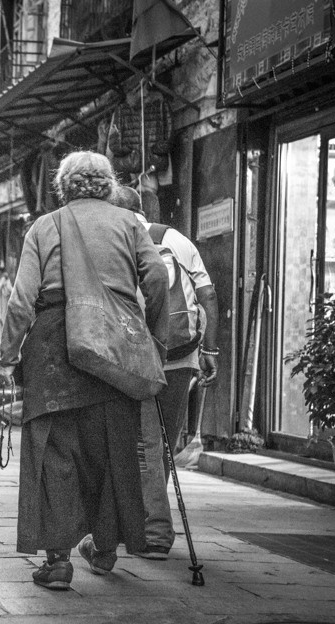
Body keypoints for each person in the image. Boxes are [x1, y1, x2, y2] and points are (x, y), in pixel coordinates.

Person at [0, 151, 168, 590]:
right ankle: (105, 548)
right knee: (111, 450)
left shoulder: (45, 226)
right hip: (115, 344)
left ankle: (57, 562)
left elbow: (21, 299)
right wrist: (152, 336)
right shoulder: (129, 223)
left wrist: (8, 356)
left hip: (55, 346)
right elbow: (158, 278)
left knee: (56, 452)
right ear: (109, 184)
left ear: (63, 186)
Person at [111, 186, 218, 560]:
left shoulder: (119, 238)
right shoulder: (177, 239)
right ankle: (145, 520)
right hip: (182, 355)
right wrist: (210, 351)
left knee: (144, 444)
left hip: (140, 357)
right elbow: (207, 295)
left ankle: (153, 531)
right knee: (163, 443)